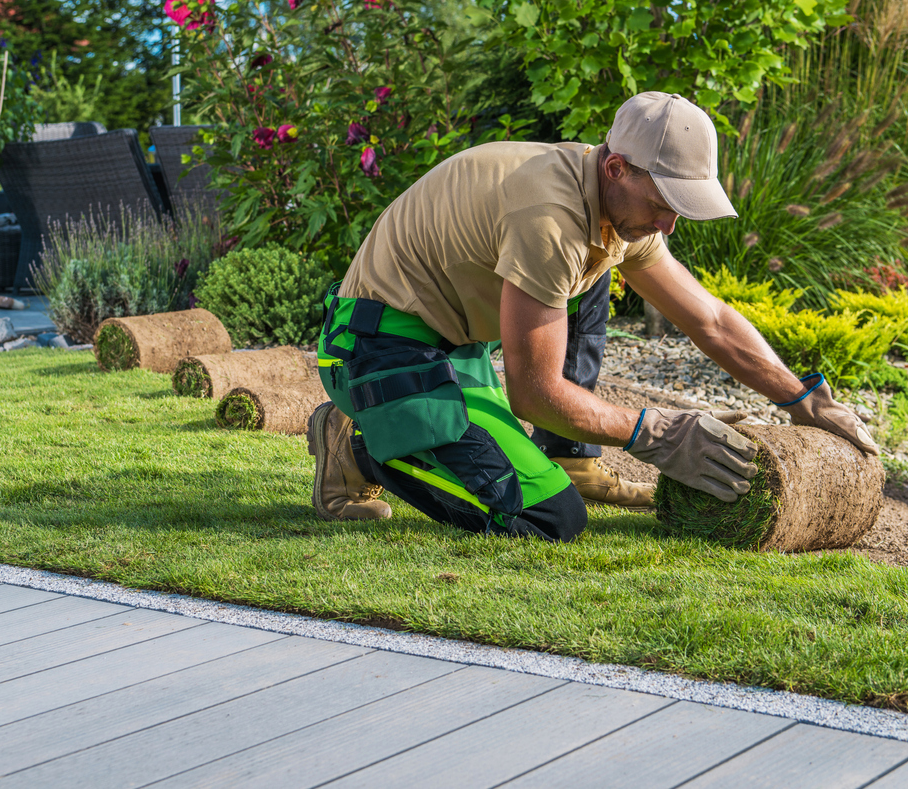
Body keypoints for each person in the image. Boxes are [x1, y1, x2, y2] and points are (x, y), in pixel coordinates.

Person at [306, 91, 877, 542]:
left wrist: (802, 397)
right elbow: (533, 394)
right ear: (616, 167)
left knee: (599, 269)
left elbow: (711, 321)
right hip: (379, 348)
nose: (669, 226)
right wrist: (653, 430)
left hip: (453, 351)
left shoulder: (615, 210)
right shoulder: (549, 216)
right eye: (662, 204)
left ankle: (557, 454)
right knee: (552, 522)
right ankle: (357, 440)